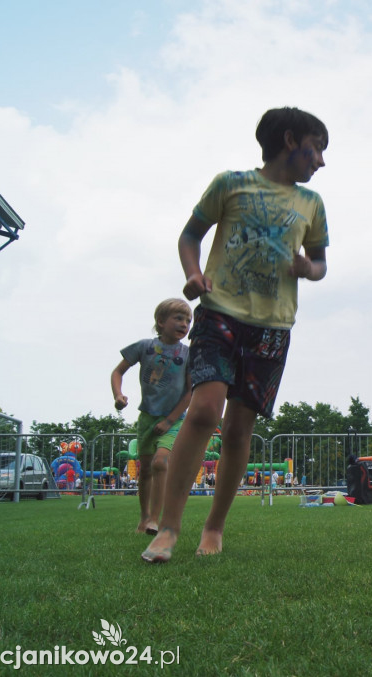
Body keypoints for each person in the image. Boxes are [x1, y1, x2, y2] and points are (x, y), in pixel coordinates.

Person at [142, 107, 330, 563]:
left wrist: (309, 268)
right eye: (317, 148)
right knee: (205, 410)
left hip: (273, 325)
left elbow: (322, 263)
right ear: (290, 140)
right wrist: (192, 274)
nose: (321, 161)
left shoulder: (312, 204)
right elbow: (190, 236)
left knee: (239, 429)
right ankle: (168, 529)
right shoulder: (230, 184)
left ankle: (215, 527)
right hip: (220, 313)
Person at [111, 298, 192, 534]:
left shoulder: (187, 354)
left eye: (188, 320)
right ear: (160, 321)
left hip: (174, 419)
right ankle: (144, 518)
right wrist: (119, 395)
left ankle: (155, 520)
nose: (184, 324)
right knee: (145, 470)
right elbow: (118, 371)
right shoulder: (145, 347)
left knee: (160, 462)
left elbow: (190, 392)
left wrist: (169, 421)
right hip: (147, 417)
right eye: (178, 318)